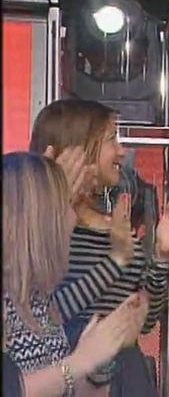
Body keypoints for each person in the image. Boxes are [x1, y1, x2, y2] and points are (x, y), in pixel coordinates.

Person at [28, 99, 169, 396]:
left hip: (126, 373)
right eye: (111, 140)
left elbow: (145, 322)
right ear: (78, 147)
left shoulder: (118, 225)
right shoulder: (37, 228)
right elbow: (47, 315)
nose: (122, 151)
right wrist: (115, 262)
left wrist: (161, 256)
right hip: (68, 370)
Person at [2, 152, 149, 397]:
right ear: (39, 219)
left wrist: (102, 355)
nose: (73, 219)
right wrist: (80, 361)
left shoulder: (37, 302)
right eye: (66, 206)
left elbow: (63, 389)